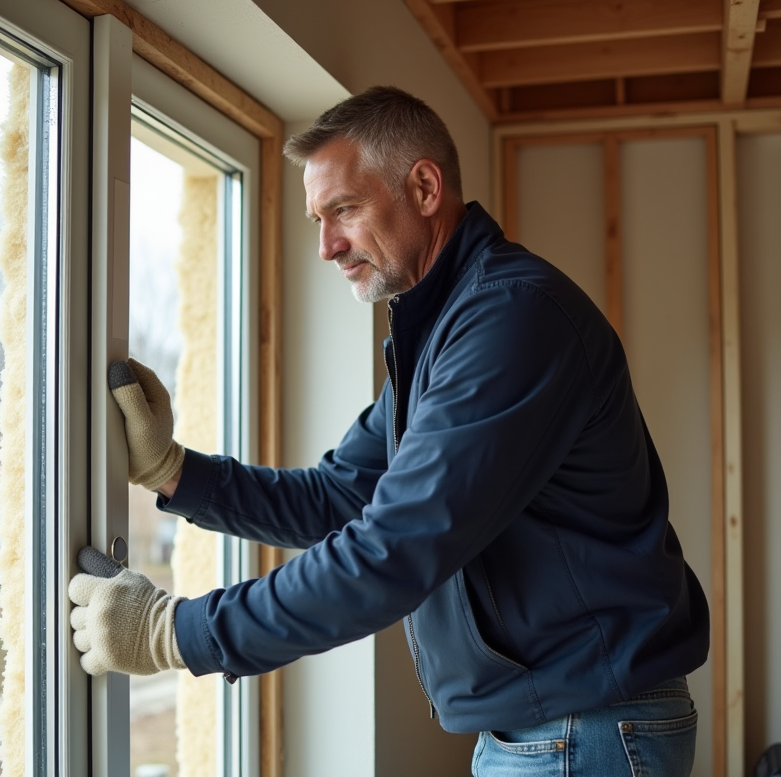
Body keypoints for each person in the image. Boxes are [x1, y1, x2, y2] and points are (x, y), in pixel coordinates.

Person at [68, 86, 710, 776]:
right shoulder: (445, 329)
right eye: (318, 218)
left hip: (580, 728)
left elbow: (393, 549)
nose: (326, 246)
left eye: (343, 210)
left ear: (425, 186)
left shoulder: (510, 321)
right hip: (553, 723)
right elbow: (338, 497)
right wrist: (173, 470)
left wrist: (177, 632)